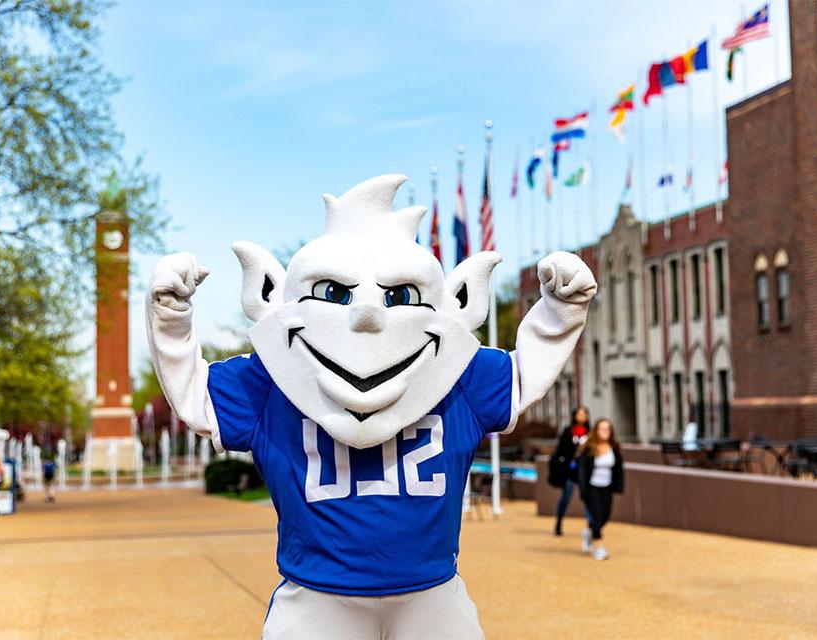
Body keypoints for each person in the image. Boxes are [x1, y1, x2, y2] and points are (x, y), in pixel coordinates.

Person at [146, 174, 598, 639]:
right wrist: (171, 318)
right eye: (334, 293)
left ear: (462, 298)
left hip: (430, 593)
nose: (366, 314)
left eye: (398, 295)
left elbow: (523, 375)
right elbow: (197, 397)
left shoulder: (457, 372)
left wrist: (560, 309)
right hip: (317, 596)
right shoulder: (273, 378)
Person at [577, 418, 624, 561]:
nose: (605, 432)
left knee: (605, 517)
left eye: (608, 429)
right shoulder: (589, 448)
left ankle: (589, 532)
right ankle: (599, 548)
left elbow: (618, 469)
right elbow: (582, 470)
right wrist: (583, 489)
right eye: (602, 429)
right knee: (597, 517)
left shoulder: (614, 448)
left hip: (607, 487)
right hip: (592, 487)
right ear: (596, 431)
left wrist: (619, 486)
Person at [552, 405, 591, 537]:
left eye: (584, 414)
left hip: (584, 471)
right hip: (570, 470)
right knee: (566, 496)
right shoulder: (568, 431)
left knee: (587, 498)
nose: (581, 417)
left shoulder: (590, 433)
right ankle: (558, 522)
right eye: (579, 414)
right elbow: (560, 450)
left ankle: (591, 526)